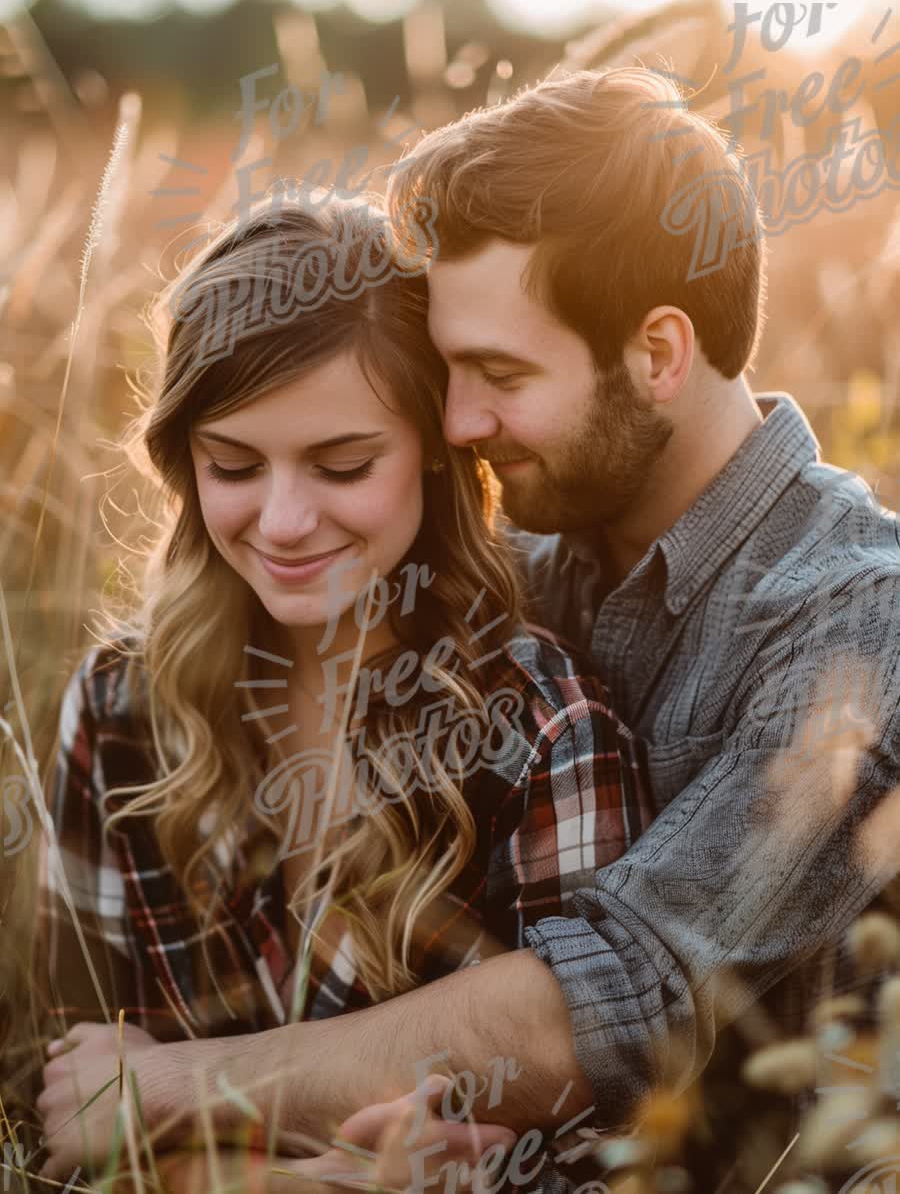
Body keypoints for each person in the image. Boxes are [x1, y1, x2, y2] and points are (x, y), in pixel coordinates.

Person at [40, 65, 900, 1194]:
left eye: (497, 374)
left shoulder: (860, 619)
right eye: (448, 369)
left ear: (658, 354)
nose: (455, 422)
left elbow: (617, 997)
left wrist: (161, 1089)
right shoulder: (518, 567)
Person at [34, 194, 656, 1188]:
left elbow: (614, 1144)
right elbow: (72, 1104)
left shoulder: (544, 731)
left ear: (439, 454)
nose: (283, 521)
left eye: (342, 463)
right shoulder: (119, 708)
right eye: (232, 464)